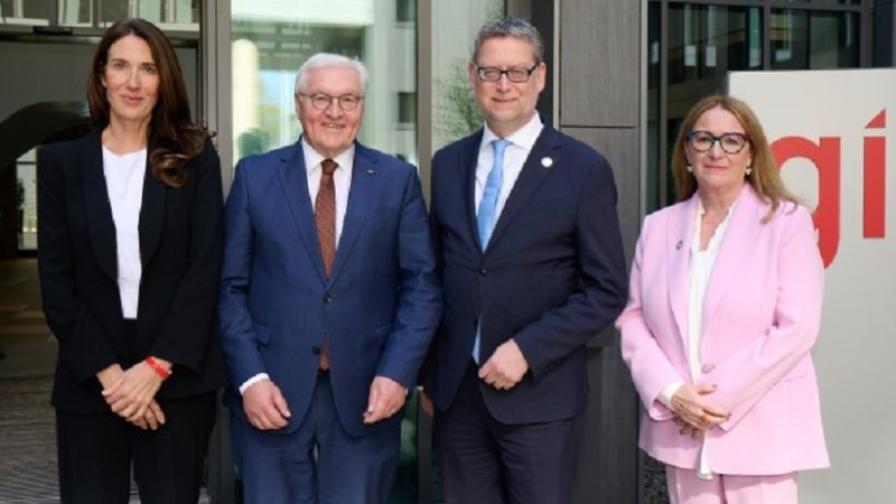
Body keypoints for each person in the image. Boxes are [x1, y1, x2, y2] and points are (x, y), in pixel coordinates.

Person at [218, 53, 441, 503]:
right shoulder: (255, 177)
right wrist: (249, 379)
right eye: (321, 98)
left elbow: (422, 287)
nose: (335, 112)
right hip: (270, 392)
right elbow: (229, 288)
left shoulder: (398, 180)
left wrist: (398, 375)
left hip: (366, 393)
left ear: (362, 106)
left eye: (348, 99)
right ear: (298, 104)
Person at [424, 17, 628, 503]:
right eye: (491, 72)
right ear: (472, 77)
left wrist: (527, 350)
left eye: (516, 72)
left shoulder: (582, 169)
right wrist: (430, 374)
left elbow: (605, 289)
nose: (502, 85)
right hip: (457, 397)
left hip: (539, 397)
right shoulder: (448, 163)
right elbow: (435, 275)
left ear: (540, 77)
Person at [37, 18, 226, 504]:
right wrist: (114, 379)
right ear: (102, 75)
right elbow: (57, 283)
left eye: (148, 68)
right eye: (121, 66)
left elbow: (205, 269)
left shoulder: (195, 158)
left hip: (176, 380)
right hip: (90, 380)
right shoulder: (62, 164)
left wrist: (154, 371)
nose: (134, 82)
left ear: (164, 80)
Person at [617, 94, 829, 503]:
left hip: (762, 431)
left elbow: (798, 327)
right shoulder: (658, 228)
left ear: (751, 155)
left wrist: (713, 403)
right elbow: (633, 319)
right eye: (704, 139)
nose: (716, 151)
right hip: (682, 431)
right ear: (687, 153)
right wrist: (672, 392)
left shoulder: (787, 222)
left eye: (732, 140)